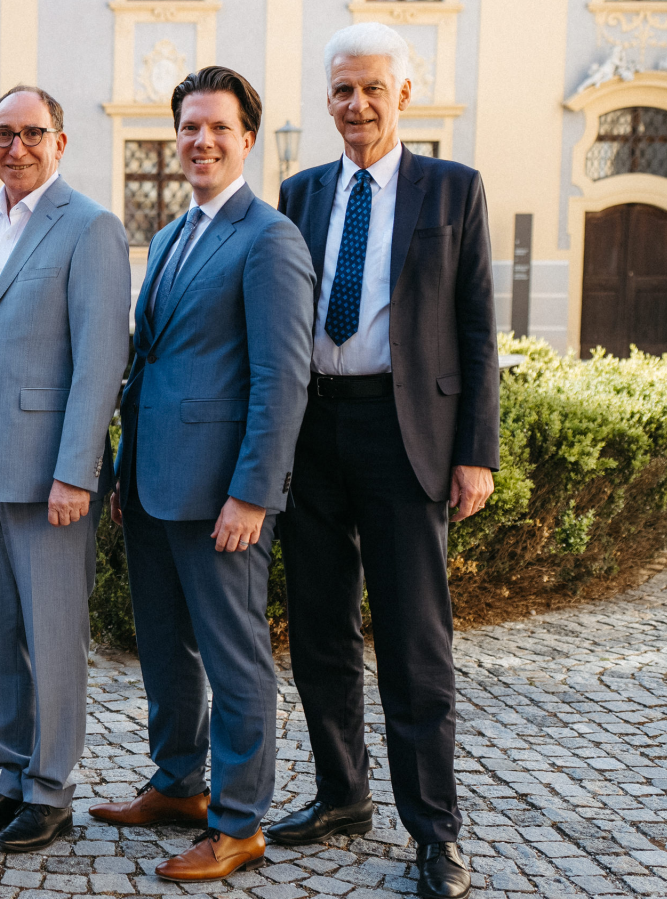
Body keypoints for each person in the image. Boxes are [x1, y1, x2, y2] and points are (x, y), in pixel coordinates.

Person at [272, 23, 499, 899]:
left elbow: (479, 331)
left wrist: (474, 453)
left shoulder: (454, 190)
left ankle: (435, 832)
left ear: (405, 93)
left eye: (371, 88)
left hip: (406, 440)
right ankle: (341, 793)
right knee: (321, 627)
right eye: (341, 91)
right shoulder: (300, 194)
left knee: (414, 640)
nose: (356, 105)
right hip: (315, 435)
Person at [93, 66, 314, 881]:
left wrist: (254, 492)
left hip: (224, 492)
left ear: (247, 138)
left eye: (219, 127)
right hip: (154, 484)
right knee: (164, 646)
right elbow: (152, 359)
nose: (202, 140)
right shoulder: (177, 232)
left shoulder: (268, 237)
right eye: (189, 126)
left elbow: (281, 377)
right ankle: (179, 781)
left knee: (234, 657)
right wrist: (122, 474)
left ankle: (238, 821)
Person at [0, 85, 131, 852]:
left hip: (53, 473)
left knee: (52, 636)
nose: (14, 147)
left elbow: (100, 360)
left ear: (60, 139)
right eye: (1, 133)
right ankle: (10, 773)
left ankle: (52, 787)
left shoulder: (90, 227)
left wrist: (78, 471)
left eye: (30, 133)